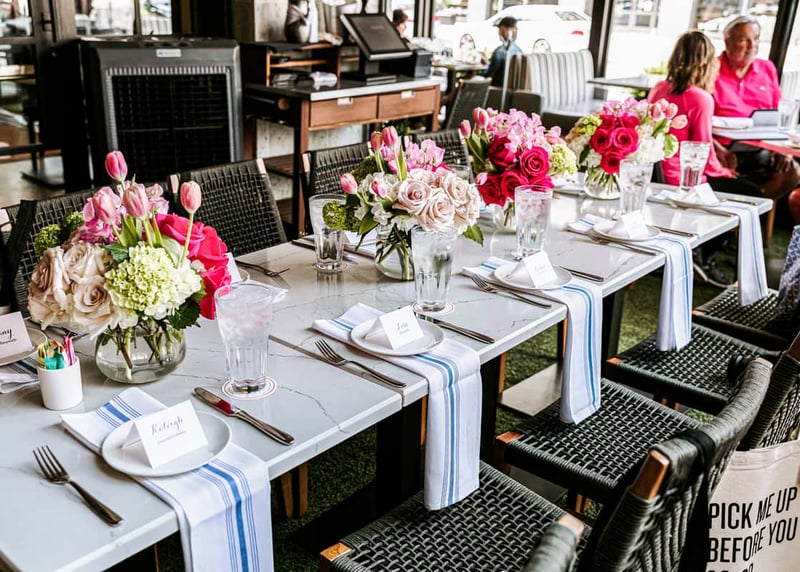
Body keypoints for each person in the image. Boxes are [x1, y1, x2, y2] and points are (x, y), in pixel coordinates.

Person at [648, 31, 755, 287]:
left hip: (658, 174)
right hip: (685, 179)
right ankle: (704, 256)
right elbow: (702, 150)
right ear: (707, 63)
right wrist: (726, 173)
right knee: (752, 194)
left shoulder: (659, 89)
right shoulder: (701, 98)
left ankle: (701, 251)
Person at [712, 15, 800, 200]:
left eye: (756, 38)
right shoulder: (711, 68)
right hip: (723, 149)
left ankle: (749, 207)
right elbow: (698, 120)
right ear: (727, 41)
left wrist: (781, 150)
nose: (752, 45)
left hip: (760, 149)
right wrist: (716, 148)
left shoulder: (767, 68)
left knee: (792, 171)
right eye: (744, 40)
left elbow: (779, 114)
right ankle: (747, 206)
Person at [482, 16, 521, 88]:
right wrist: (488, 63)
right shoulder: (519, 51)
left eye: (501, 30)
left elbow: (489, 75)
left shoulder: (500, 52)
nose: (499, 33)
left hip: (496, 90)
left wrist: (482, 70)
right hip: (512, 90)